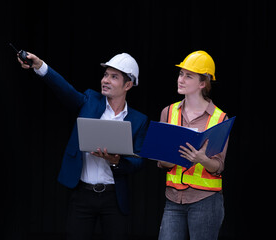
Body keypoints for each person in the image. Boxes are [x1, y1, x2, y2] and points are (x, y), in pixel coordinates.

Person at [17, 52, 149, 240]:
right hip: (83, 195)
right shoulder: (89, 100)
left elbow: (139, 162)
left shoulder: (139, 120)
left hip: (114, 198)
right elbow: (64, 89)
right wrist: (40, 66)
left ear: (128, 85)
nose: (106, 80)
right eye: (105, 75)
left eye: (114, 77)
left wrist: (116, 161)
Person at [157, 51, 228, 240]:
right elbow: (162, 162)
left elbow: (218, 166)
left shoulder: (219, 118)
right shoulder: (169, 112)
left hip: (205, 201)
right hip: (173, 199)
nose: (181, 79)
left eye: (189, 75)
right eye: (181, 74)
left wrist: (202, 160)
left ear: (203, 83)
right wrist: (166, 158)